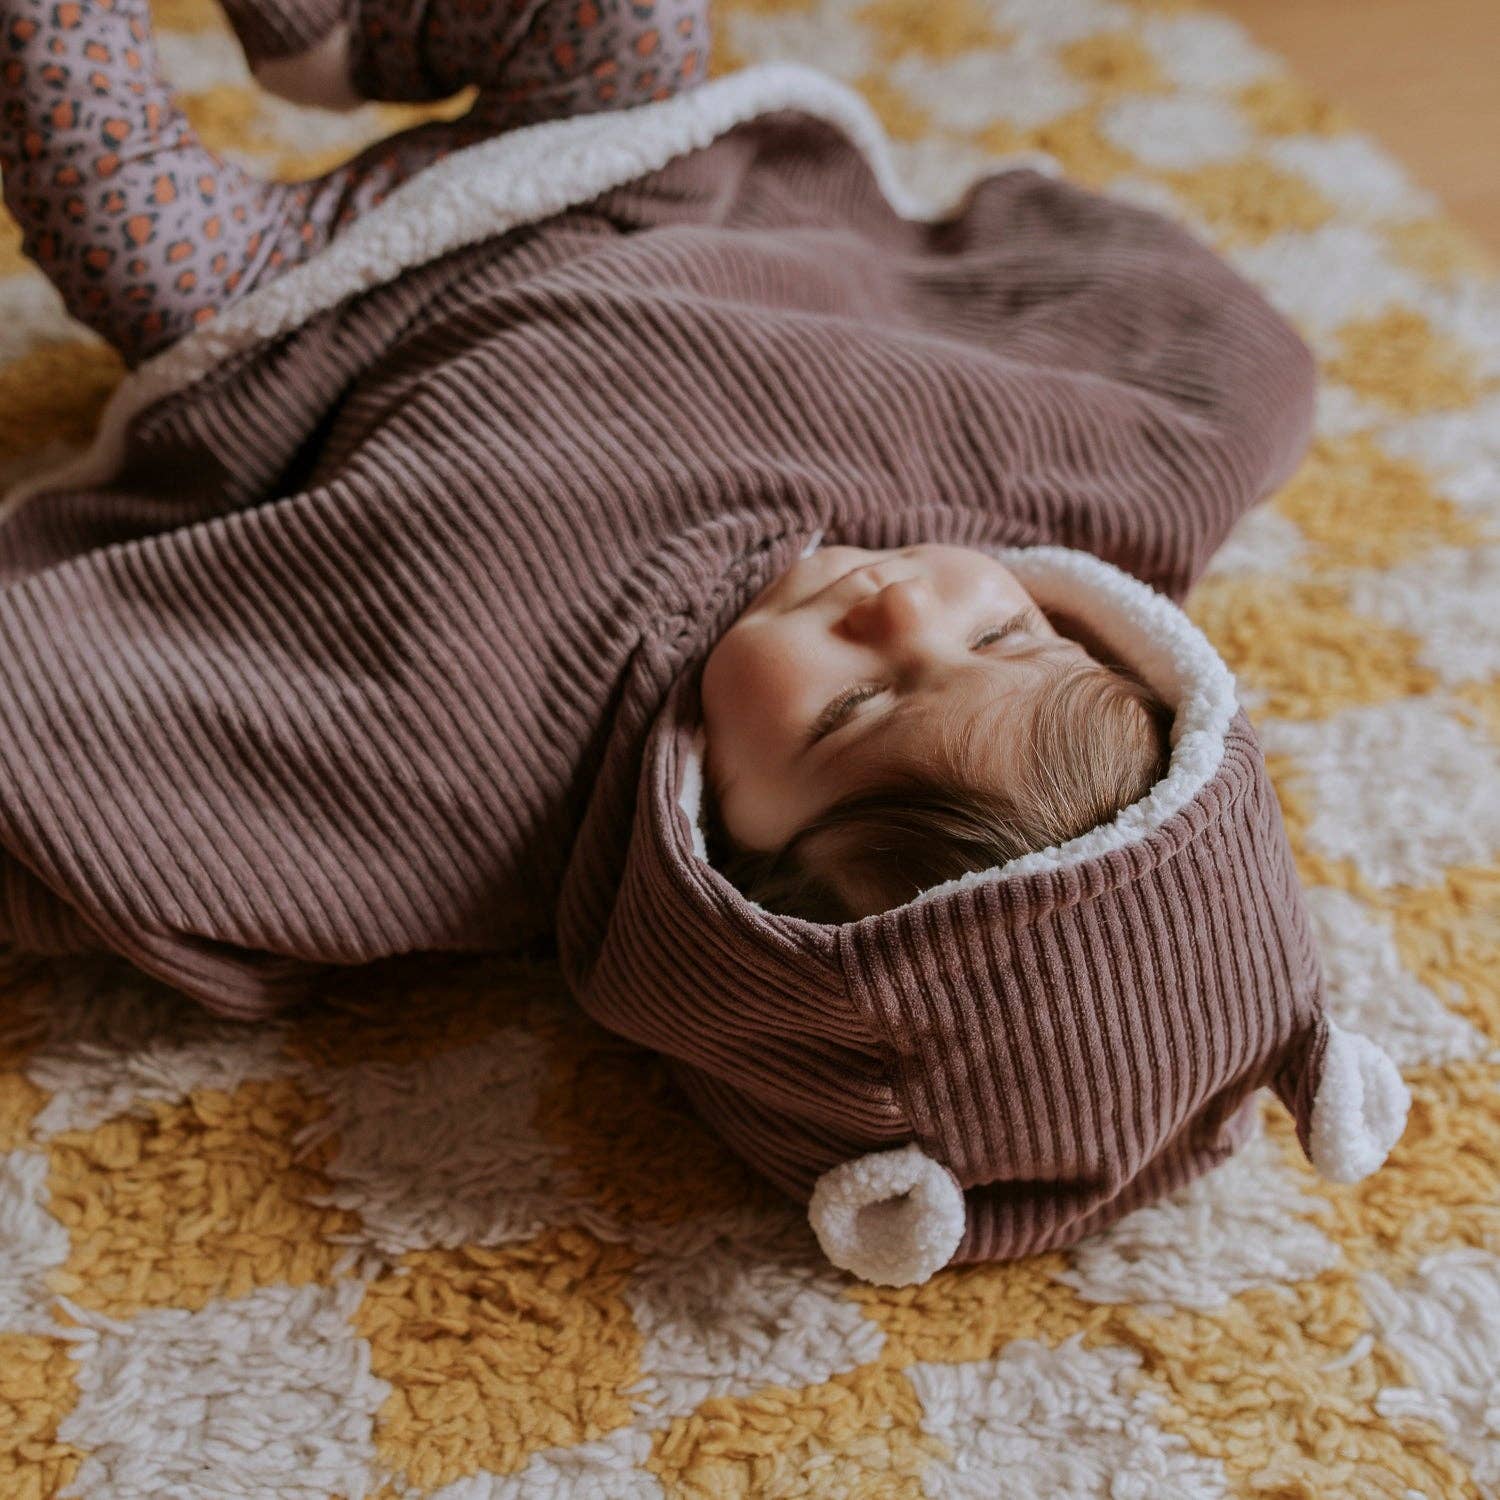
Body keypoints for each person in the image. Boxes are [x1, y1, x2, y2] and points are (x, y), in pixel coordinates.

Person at [0, 0, 1410, 1286]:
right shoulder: (1073, 485)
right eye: (1007, 630)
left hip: (295, 314)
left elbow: (89, 786)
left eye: (850, 712)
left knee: (81, 116)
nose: (903, 609)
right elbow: (1237, 376)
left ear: (718, 867)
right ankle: (333, 35)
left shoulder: (464, 773)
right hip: (623, 159)